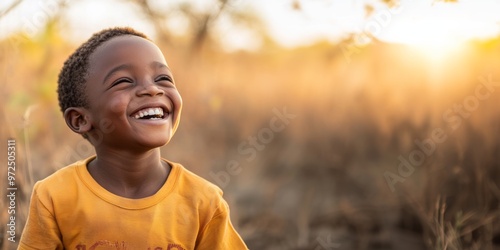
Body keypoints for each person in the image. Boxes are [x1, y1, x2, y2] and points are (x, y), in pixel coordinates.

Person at [18, 27, 248, 250]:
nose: (152, 89)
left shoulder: (203, 202)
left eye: (163, 78)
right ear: (80, 119)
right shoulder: (55, 196)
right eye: (123, 81)